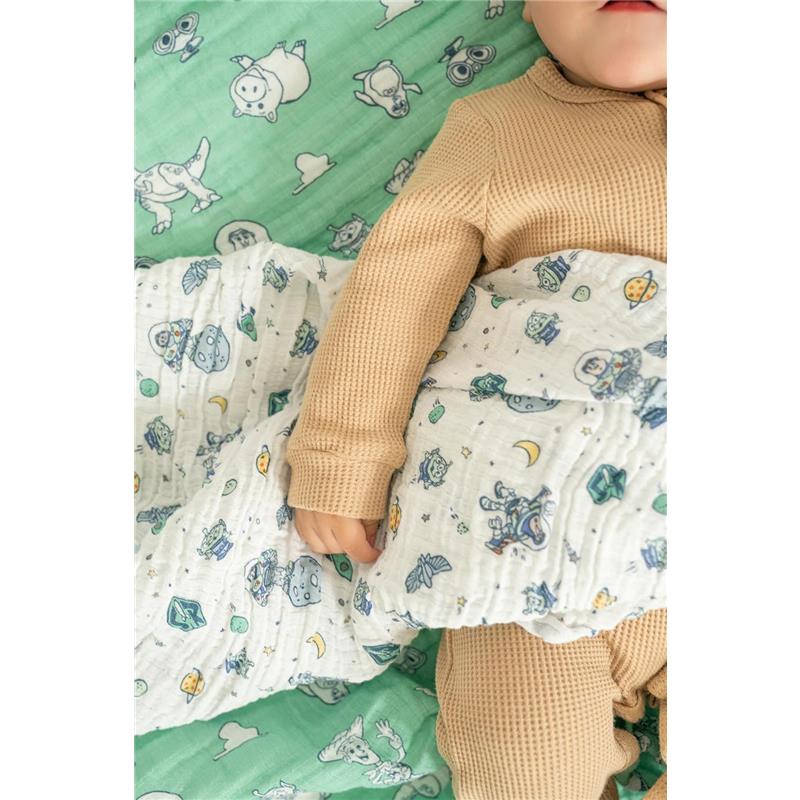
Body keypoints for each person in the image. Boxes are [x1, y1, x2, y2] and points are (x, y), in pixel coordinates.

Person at [285, 1, 667, 797]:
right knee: (523, 757)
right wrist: (342, 456)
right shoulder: (501, 127)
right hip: (528, 539)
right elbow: (397, 293)